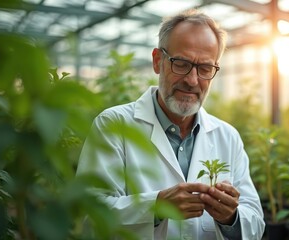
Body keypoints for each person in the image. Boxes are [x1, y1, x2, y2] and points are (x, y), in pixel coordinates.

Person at [77, 9, 265, 240]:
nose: (192, 80)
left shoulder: (227, 136)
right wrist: (156, 206)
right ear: (158, 61)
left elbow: (255, 221)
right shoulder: (113, 125)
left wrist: (231, 218)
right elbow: (90, 215)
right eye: (181, 63)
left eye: (205, 69)